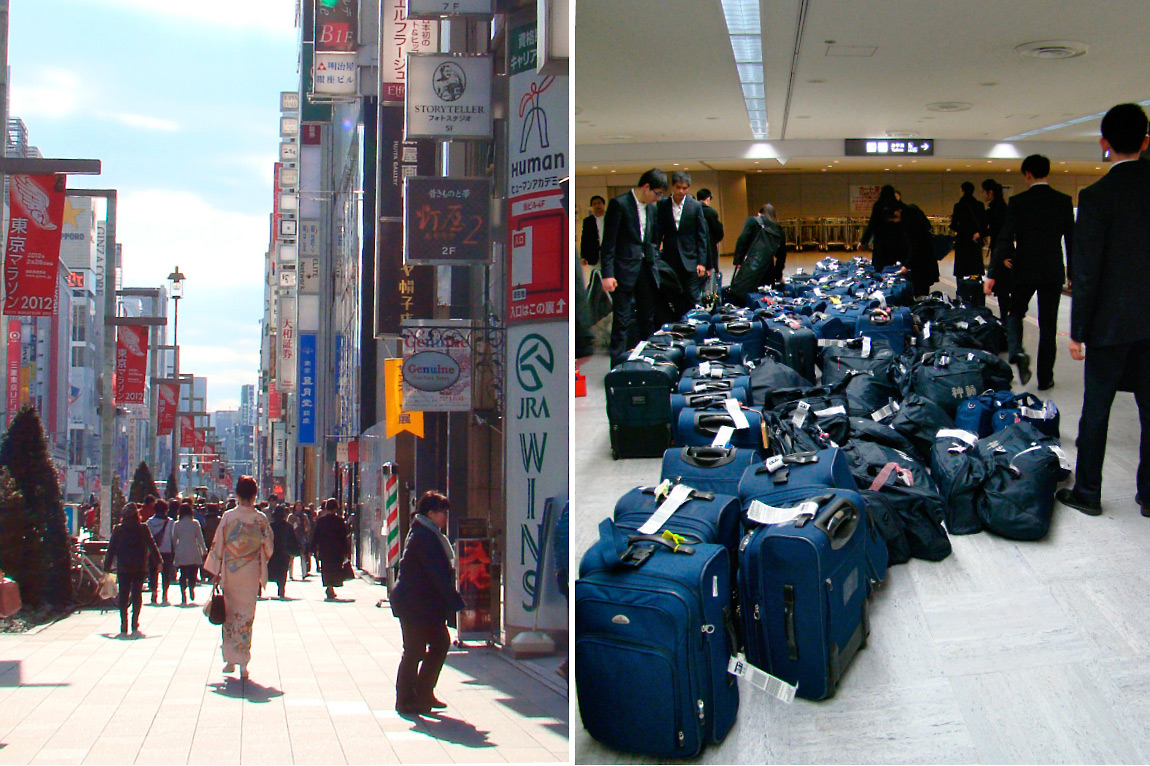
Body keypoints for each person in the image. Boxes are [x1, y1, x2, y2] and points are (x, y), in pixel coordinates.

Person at [1056, 103, 1150, 517]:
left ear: (1104, 144)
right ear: (1146, 142)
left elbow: (1087, 270)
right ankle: (1149, 495)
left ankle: (1088, 493)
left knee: (1097, 409)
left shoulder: (1095, 197)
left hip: (1110, 324)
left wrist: (1078, 331)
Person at [985, 154, 1074, 389]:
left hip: (1024, 268)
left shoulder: (1018, 202)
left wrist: (992, 272)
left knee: (1015, 312)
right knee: (1048, 325)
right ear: (1048, 172)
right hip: (1052, 270)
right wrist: (1073, 273)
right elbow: (1073, 241)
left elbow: (1004, 238)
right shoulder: (1063, 201)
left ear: (1027, 175)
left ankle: (1016, 351)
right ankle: (1045, 378)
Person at [390, 491, 464, 716]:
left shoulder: (428, 533)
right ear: (431, 513)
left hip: (425, 604)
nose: (446, 517)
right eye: (443, 512)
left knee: (439, 643)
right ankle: (405, 699)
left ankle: (423, 692)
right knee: (414, 650)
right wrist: (455, 601)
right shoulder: (423, 536)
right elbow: (436, 574)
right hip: (414, 603)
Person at [203, 475, 273, 680]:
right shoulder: (260, 519)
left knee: (230, 615)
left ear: (237, 494)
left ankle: (230, 659)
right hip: (250, 573)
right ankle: (243, 663)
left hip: (230, 572)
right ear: (255, 495)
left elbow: (219, 545)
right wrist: (259, 559)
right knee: (246, 617)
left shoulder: (229, 518)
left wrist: (216, 571)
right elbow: (268, 546)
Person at [599, 168, 668, 366]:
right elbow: (608, 242)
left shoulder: (652, 209)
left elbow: (652, 240)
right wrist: (607, 274)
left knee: (647, 318)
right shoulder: (619, 204)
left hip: (646, 269)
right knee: (622, 319)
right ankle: (618, 365)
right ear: (646, 187)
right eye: (657, 193)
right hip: (623, 271)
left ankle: (647, 362)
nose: (657, 198)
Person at [654, 170, 709, 307]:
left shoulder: (695, 206)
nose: (681, 191)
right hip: (670, 258)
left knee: (693, 296)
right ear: (673, 186)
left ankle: (696, 325)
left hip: (691, 259)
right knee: (674, 296)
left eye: (684, 188)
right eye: (678, 187)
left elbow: (701, 235)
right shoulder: (663, 205)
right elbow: (658, 232)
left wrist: (702, 262)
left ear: (688, 188)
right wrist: (654, 255)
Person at [103, 505, 161, 636]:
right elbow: (152, 545)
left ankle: (123, 622)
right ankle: (135, 621)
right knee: (136, 594)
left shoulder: (118, 530)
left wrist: (107, 566)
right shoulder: (142, 528)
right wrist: (158, 561)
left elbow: (111, 549)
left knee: (123, 595)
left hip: (123, 567)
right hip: (139, 566)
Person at [728, 203, 786, 302]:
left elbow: (742, 240)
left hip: (751, 266)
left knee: (745, 296)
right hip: (768, 269)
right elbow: (782, 255)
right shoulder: (779, 229)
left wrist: (738, 260)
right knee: (764, 299)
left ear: (759, 213)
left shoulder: (752, 221)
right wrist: (778, 274)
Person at [982, 179, 1011, 321]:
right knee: (1003, 288)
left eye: (984, 192)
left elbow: (997, 230)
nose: (983, 195)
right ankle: (1006, 318)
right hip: (1003, 250)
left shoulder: (995, 208)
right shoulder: (1002, 207)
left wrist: (981, 234)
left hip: (1001, 251)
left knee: (1002, 288)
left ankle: (1007, 320)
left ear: (990, 192)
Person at [859, 185, 907, 271]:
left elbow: (872, 224)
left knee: (879, 267)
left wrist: (863, 241)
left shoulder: (879, 205)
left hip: (881, 242)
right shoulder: (900, 206)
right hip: (897, 241)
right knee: (895, 267)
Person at [312, 498, 350, 600]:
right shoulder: (339, 521)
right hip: (337, 550)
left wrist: (313, 548)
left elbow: (316, 536)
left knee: (326, 569)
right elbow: (343, 537)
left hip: (324, 550)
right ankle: (331, 587)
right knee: (335, 568)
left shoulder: (321, 521)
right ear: (335, 509)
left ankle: (329, 587)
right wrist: (346, 551)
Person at [900, 200, 939, 297]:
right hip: (928, 265)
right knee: (924, 291)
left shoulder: (914, 229)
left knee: (919, 292)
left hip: (920, 266)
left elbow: (915, 247)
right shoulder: (924, 227)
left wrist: (906, 265)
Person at [171, 501, 207, 605]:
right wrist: (204, 550)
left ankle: (183, 592)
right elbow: (200, 538)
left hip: (181, 550)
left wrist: (175, 549)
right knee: (193, 571)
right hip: (193, 549)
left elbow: (174, 539)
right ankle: (192, 586)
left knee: (182, 573)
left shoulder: (177, 524)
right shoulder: (195, 523)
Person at [949, 181, 987, 277]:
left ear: (962, 191)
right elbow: (984, 223)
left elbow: (954, 224)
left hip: (962, 240)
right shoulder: (979, 205)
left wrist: (961, 230)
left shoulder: (958, 206)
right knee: (975, 266)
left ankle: (961, 289)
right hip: (976, 239)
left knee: (961, 268)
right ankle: (975, 286)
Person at [145, 499, 175, 605]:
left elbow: (147, 539)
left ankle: (153, 591)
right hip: (167, 550)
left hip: (153, 551)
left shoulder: (149, 522)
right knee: (166, 573)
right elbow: (173, 538)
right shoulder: (170, 522)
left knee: (152, 572)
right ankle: (164, 594)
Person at [268, 505, 299, 599]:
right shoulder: (288, 527)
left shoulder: (271, 526)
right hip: (284, 553)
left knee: (270, 569)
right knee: (282, 571)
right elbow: (293, 540)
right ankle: (281, 588)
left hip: (272, 552)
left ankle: (260, 587)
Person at [696, 188, 724, 289]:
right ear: (708, 198)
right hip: (710, 247)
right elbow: (718, 232)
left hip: (695, 250)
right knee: (710, 277)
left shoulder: (691, 210)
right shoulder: (711, 212)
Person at [580, 195, 606, 266]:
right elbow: (585, 239)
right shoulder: (588, 221)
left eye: (599, 203)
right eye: (594, 204)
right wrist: (583, 256)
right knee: (597, 275)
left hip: (610, 253)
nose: (597, 205)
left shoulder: (611, 218)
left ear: (603, 205)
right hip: (594, 254)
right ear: (591, 207)